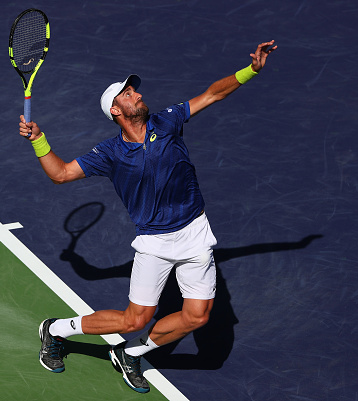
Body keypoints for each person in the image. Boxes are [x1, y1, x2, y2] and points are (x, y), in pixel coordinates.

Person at [19, 40, 277, 393]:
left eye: (134, 89)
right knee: (132, 319)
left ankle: (133, 353)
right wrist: (39, 140)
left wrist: (251, 70)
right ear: (115, 110)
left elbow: (212, 95)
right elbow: (61, 173)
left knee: (197, 317)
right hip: (155, 242)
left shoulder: (167, 121)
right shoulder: (109, 153)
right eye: (127, 93)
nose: (136, 94)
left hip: (195, 232)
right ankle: (56, 329)